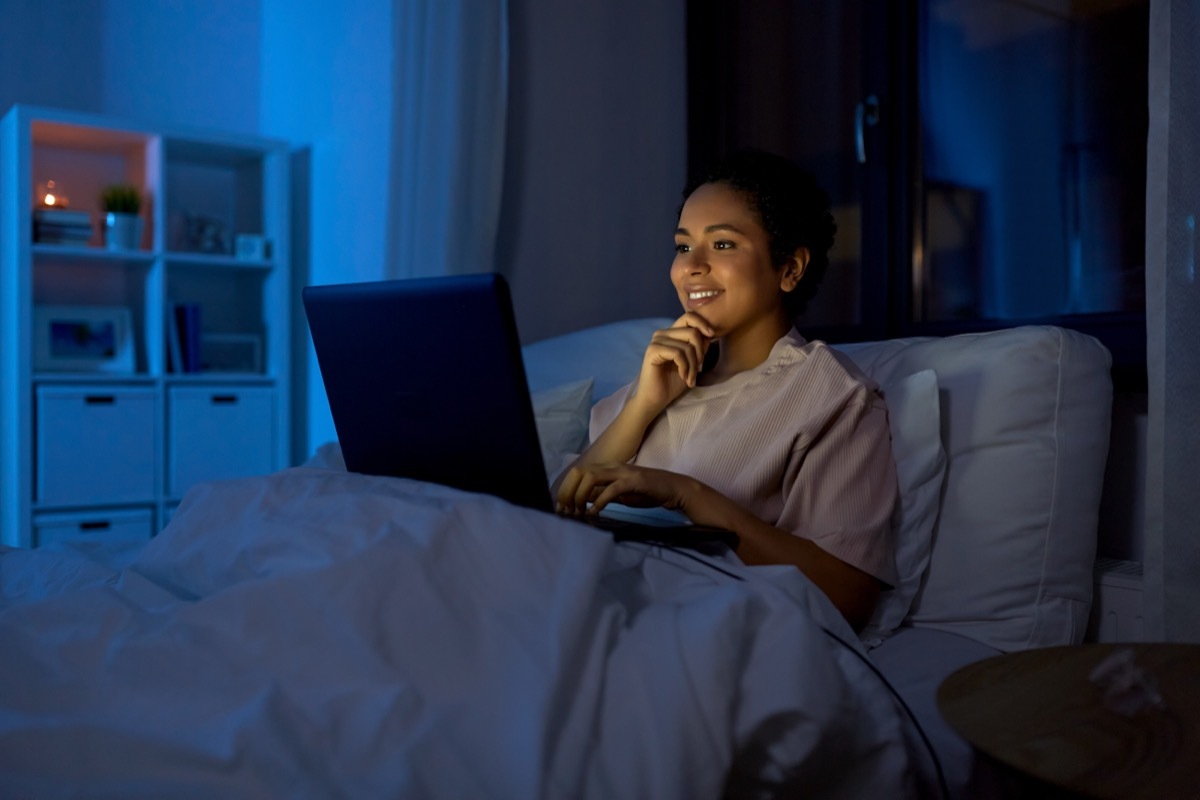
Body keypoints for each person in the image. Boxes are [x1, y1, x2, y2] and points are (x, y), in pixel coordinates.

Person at [554, 149, 897, 631]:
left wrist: (685, 494)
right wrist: (642, 407)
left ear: (790, 269)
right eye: (681, 246)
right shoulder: (662, 379)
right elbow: (555, 514)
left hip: (696, 627)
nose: (690, 266)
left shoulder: (832, 394)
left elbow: (849, 597)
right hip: (587, 603)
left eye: (722, 246)